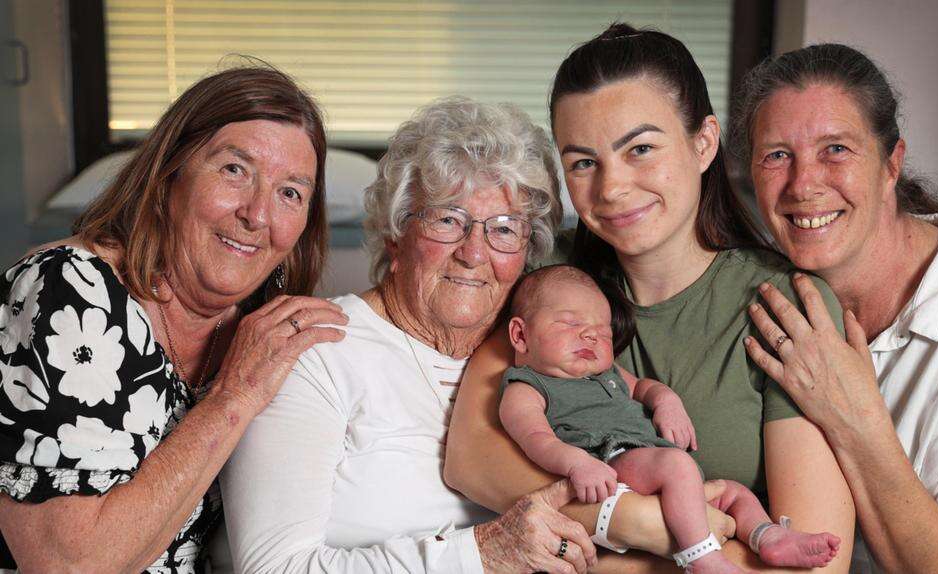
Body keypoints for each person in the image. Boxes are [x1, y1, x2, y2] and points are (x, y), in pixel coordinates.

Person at [444, 23, 856, 572]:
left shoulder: (785, 308)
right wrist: (640, 523)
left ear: (703, 143)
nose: (611, 188)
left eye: (640, 148)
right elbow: (471, 460)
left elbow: (818, 565)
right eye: (583, 162)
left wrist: (612, 555)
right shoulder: (545, 274)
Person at [219, 96, 600, 573]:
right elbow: (272, 570)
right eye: (447, 219)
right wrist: (484, 553)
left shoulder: (541, 358)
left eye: (504, 229)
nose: (474, 253)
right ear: (396, 231)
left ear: (529, 248)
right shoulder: (316, 352)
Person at [0, 66, 347, 573]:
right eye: (235, 170)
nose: (257, 215)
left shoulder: (260, 323)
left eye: (290, 192)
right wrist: (234, 397)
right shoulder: (66, 291)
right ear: (168, 175)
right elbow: (69, 565)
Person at [728, 43, 938, 573]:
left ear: (892, 163)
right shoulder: (769, 293)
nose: (803, 184)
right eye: (776, 155)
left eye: (835, 149)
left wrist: (853, 417)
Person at [500, 265, 841, 573]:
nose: (591, 336)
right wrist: (576, 464)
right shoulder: (528, 386)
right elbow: (535, 438)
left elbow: (644, 388)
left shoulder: (607, 372)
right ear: (520, 336)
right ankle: (702, 558)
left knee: (733, 494)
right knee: (677, 467)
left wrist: (667, 401)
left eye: (602, 332)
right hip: (607, 466)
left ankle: (767, 536)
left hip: (656, 469)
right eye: (571, 323)